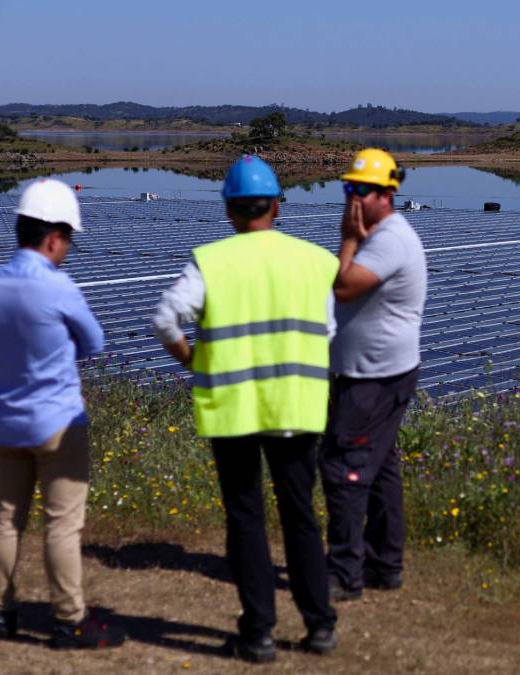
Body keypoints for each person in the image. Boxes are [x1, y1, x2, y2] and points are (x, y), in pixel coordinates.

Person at [152, 155, 338, 664]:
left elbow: (165, 318)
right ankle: (320, 624)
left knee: (246, 517)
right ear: (277, 206)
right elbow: (328, 332)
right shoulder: (316, 261)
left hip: (233, 410)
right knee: (301, 516)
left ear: (229, 210)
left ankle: (258, 634)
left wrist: (191, 358)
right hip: (296, 408)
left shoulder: (211, 262)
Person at [0, 179, 126, 649]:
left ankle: (0, 613)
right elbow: (95, 342)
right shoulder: (58, 287)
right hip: (58, 423)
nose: (68, 250)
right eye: (68, 241)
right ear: (54, 238)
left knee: (5, 519)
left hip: (6, 419)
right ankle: (69, 620)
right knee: (62, 525)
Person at [322, 148, 427, 601]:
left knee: (343, 465)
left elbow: (343, 288)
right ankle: (385, 564)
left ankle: (344, 572)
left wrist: (347, 239)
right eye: (350, 187)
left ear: (387, 194)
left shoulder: (388, 240)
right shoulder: (379, 236)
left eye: (363, 190)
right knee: (381, 468)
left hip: (375, 378)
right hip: (375, 373)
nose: (354, 198)